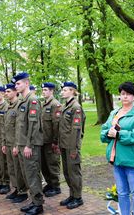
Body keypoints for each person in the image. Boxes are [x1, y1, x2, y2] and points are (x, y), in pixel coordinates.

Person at [101, 81, 134, 215]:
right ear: (120, 96)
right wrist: (108, 133)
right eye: (123, 94)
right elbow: (104, 130)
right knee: (122, 193)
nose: (125, 97)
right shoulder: (115, 112)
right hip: (117, 159)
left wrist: (119, 134)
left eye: (129, 94)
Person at [13, 72, 44, 215]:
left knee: (32, 174)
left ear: (26, 83)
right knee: (26, 175)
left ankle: (38, 204)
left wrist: (29, 145)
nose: (16, 86)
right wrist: (17, 144)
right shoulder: (21, 100)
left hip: (29, 145)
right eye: (15, 83)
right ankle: (33, 200)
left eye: (18, 83)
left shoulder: (33, 100)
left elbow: (34, 125)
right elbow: (19, 125)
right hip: (21, 144)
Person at [58, 81, 85, 210]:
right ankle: (72, 195)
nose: (62, 92)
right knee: (67, 172)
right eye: (62, 90)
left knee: (74, 172)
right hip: (64, 145)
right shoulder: (65, 106)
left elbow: (76, 129)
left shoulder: (76, 107)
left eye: (65, 90)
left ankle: (78, 197)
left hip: (71, 146)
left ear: (72, 91)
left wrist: (74, 148)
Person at [2, 83, 28, 203]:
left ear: (15, 92)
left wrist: (17, 145)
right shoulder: (8, 106)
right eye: (6, 92)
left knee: (18, 169)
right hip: (8, 142)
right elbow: (5, 126)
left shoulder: (19, 105)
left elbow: (19, 128)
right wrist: (4, 143)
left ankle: (22, 192)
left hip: (15, 143)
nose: (6, 94)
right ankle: (16, 189)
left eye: (8, 91)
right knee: (12, 168)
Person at [40, 82, 62, 197]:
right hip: (43, 140)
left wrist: (55, 141)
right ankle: (49, 183)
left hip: (51, 141)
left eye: (46, 90)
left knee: (52, 164)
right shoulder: (43, 104)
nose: (43, 92)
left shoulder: (55, 104)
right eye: (43, 90)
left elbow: (56, 124)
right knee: (44, 164)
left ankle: (56, 186)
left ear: (52, 91)